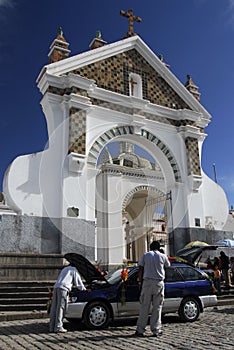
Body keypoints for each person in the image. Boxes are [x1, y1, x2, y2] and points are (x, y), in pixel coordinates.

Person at [135, 240, 170, 337]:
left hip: (147, 283)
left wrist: (140, 282)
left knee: (144, 307)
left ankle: (140, 329)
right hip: (158, 283)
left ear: (150, 247)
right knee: (157, 307)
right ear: (159, 248)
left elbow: (140, 268)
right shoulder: (162, 256)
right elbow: (168, 265)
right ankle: (156, 330)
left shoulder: (146, 255)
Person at [49, 262, 87, 333]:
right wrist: (85, 289)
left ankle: (51, 327)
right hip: (64, 288)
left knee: (54, 307)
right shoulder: (73, 269)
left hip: (56, 287)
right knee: (61, 307)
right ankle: (58, 326)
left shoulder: (64, 269)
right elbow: (78, 283)